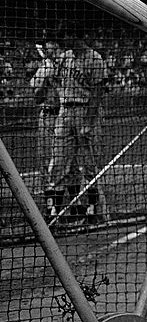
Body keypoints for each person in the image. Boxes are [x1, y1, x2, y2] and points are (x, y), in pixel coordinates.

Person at [45, 25, 109, 224]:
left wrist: (89, 122)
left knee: (89, 162)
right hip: (65, 110)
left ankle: (92, 210)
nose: (64, 40)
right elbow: (55, 79)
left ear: (76, 35)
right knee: (59, 159)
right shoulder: (66, 57)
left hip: (85, 110)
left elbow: (98, 92)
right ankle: (53, 210)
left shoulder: (95, 58)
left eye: (67, 36)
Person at [30, 38, 60, 170]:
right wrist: (45, 82)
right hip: (47, 115)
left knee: (65, 156)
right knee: (45, 155)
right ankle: (47, 188)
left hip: (64, 114)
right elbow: (37, 98)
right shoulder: (43, 70)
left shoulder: (66, 64)